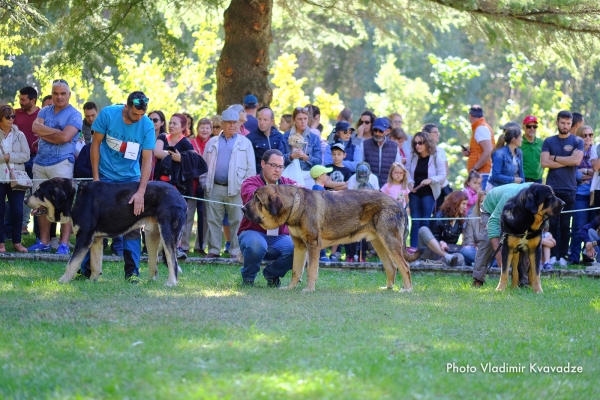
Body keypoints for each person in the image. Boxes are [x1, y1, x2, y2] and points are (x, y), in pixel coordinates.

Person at [79, 91, 155, 281]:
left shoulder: (146, 125)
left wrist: (141, 191)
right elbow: (95, 145)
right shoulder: (108, 114)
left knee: (133, 225)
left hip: (131, 179)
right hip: (105, 176)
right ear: (127, 107)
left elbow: (147, 160)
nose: (138, 118)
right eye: (135, 114)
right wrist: (96, 179)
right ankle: (86, 269)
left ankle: (132, 273)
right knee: (95, 223)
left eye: (141, 115)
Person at [28, 79, 82, 255]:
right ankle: (44, 241)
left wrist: (46, 133)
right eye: (55, 93)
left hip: (61, 164)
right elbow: (35, 127)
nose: (59, 97)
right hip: (40, 163)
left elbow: (65, 138)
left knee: (64, 204)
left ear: (69, 95)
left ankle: (64, 244)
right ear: (52, 94)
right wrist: (56, 133)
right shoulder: (44, 110)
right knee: (42, 203)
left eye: (63, 93)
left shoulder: (74, 114)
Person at [202, 108, 256, 258]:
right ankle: (213, 250)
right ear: (222, 123)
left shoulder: (245, 143)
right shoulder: (212, 142)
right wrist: (204, 183)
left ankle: (235, 251)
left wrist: (244, 187)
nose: (232, 125)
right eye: (229, 122)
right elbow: (204, 165)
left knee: (237, 220)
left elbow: (251, 169)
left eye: (235, 122)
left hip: (236, 188)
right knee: (213, 220)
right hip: (214, 187)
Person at [238, 149, 294, 286]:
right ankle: (248, 277)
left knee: (298, 248)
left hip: (279, 236)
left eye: (280, 167)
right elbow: (256, 199)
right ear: (263, 164)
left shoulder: (288, 183)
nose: (277, 170)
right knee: (257, 245)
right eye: (273, 165)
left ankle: (272, 274)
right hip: (252, 232)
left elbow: (302, 193)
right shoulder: (250, 183)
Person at [541, 110, 583, 267]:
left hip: (569, 188)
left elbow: (577, 161)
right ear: (557, 122)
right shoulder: (549, 141)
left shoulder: (577, 141)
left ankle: (563, 255)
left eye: (568, 123)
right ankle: (552, 254)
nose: (565, 126)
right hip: (552, 189)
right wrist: (568, 160)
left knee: (566, 224)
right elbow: (545, 162)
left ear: (571, 124)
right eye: (562, 123)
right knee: (553, 223)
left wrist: (556, 158)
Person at [471, 182, 534, 287]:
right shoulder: (510, 197)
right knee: (487, 240)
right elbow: (493, 221)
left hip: (515, 211)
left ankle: (523, 281)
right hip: (490, 210)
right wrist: (498, 252)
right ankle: (478, 279)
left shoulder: (538, 196)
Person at [154, 113, 195, 258]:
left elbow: (192, 162)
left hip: (178, 187)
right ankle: (157, 249)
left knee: (175, 217)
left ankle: (175, 248)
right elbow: (157, 152)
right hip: (160, 185)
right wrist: (174, 156)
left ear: (183, 127)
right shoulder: (162, 137)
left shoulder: (186, 143)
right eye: (170, 123)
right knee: (158, 215)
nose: (171, 126)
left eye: (175, 124)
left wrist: (181, 158)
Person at [406, 131, 446, 248]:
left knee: (425, 221)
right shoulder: (412, 156)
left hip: (429, 192)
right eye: (415, 143)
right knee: (415, 221)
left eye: (421, 143)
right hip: (415, 192)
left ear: (427, 143)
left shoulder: (436, 157)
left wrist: (431, 179)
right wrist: (410, 182)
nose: (418, 145)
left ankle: (424, 248)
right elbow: (407, 172)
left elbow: (442, 175)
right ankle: (413, 248)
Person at [0, 105, 30, 253]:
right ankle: (1, 244)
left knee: (18, 211)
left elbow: (26, 155)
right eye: (8, 117)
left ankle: (17, 242)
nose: (11, 119)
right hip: (0, 178)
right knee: (0, 211)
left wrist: (7, 157)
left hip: (16, 177)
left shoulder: (20, 135)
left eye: (13, 116)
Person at [12, 86, 39, 237]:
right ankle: (20, 226)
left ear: (32, 100)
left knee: (36, 193)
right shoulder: (14, 114)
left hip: (36, 158)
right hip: (19, 160)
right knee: (17, 192)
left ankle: (37, 231)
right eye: (20, 99)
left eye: (23, 99)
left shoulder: (42, 115)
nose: (20, 102)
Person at [417, 191, 471, 266]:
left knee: (460, 257)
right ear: (455, 202)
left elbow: (466, 239)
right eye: (463, 204)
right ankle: (445, 258)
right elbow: (432, 238)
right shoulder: (439, 216)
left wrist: (466, 243)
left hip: (450, 252)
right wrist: (440, 242)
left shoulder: (461, 219)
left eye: (466, 204)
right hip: (433, 251)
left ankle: (436, 263)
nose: (465, 207)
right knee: (423, 229)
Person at [569, 125, 596, 264]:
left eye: (590, 135)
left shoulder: (595, 151)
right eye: (584, 135)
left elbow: (596, 171)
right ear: (579, 136)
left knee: (592, 227)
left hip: (593, 194)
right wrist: (590, 172)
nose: (588, 138)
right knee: (578, 225)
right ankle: (573, 256)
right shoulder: (575, 152)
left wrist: (584, 171)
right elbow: (574, 174)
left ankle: (588, 256)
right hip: (579, 194)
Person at [345, 162, 379, 262]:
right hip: (355, 208)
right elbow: (349, 196)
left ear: (369, 173)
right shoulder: (352, 179)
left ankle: (362, 256)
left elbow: (377, 194)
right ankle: (350, 255)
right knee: (352, 232)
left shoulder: (374, 178)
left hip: (369, 208)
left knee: (364, 233)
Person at [282, 107, 322, 187]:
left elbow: (318, 161)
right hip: (289, 176)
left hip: (308, 176)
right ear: (294, 120)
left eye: (305, 118)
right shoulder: (285, 136)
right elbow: (279, 158)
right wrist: (292, 156)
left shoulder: (314, 138)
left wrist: (304, 156)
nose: (303, 122)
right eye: (300, 119)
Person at [325, 143, 352, 261]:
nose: (336, 157)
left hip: (341, 202)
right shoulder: (327, 168)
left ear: (344, 155)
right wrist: (341, 184)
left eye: (339, 154)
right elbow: (326, 184)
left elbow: (349, 186)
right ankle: (323, 252)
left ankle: (334, 253)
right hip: (327, 200)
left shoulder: (347, 170)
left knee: (337, 226)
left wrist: (334, 186)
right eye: (334, 154)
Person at [361, 117, 402, 187]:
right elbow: (360, 164)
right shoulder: (364, 144)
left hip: (388, 187)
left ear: (387, 131)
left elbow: (399, 167)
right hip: (369, 186)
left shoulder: (394, 146)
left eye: (381, 131)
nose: (377, 133)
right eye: (375, 130)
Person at [461, 105, 494, 189]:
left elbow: (488, 151)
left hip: (482, 175)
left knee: (480, 201)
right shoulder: (481, 127)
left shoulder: (480, 128)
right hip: (481, 175)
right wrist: (470, 152)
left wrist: (474, 168)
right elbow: (481, 150)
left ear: (470, 116)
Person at [246, 106, 285, 174]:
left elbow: (283, 157)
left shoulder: (279, 137)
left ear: (272, 122)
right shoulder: (250, 138)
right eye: (259, 119)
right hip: (258, 178)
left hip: (276, 177)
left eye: (265, 120)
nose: (262, 122)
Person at [422, 123, 451, 210]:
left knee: (439, 212)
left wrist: (441, 182)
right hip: (426, 188)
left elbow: (446, 169)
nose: (438, 134)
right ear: (427, 135)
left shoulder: (441, 150)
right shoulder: (421, 150)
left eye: (438, 132)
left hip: (441, 187)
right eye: (435, 132)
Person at [488, 122, 524, 190]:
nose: (522, 139)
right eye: (520, 137)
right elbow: (495, 176)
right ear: (514, 139)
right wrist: (513, 179)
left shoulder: (519, 153)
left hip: (509, 189)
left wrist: (523, 188)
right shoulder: (499, 154)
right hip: (497, 189)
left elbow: (521, 174)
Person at [520, 115, 543, 183]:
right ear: (523, 127)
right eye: (529, 126)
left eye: (535, 126)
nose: (532, 128)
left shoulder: (541, 142)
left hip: (538, 180)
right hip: (523, 180)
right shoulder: (519, 142)